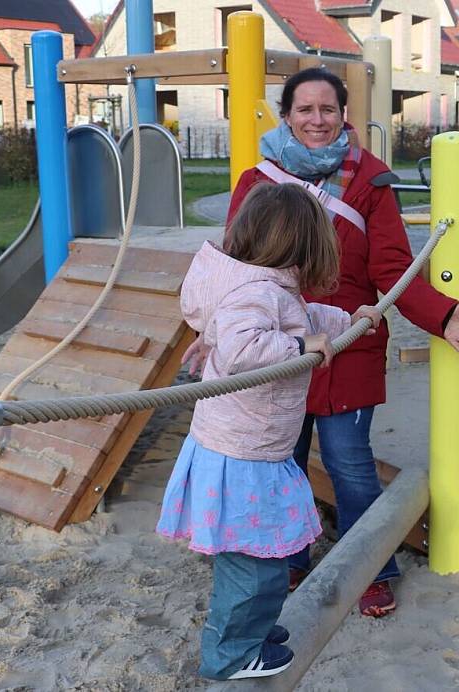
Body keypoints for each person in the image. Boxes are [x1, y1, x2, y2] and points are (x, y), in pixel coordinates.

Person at [222, 67, 459, 617]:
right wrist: (214, 330)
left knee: (349, 464)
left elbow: (393, 264)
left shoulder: (369, 178)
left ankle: (371, 567)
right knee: (281, 459)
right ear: (287, 114)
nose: (317, 120)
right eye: (305, 109)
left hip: (350, 336)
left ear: (343, 115)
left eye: (328, 109)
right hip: (280, 341)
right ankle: (287, 557)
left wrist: (443, 318)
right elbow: (236, 261)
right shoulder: (259, 178)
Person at [157, 182, 382, 680]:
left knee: (262, 559)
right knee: (255, 564)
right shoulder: (257, 292)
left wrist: (352, 319)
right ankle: (231, 654)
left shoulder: (267, 287)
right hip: (242, 453)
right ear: (304, 249)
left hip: (250, 447)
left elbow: (301, 317)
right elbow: (244, 349)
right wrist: (303, 347)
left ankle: (251, 630)